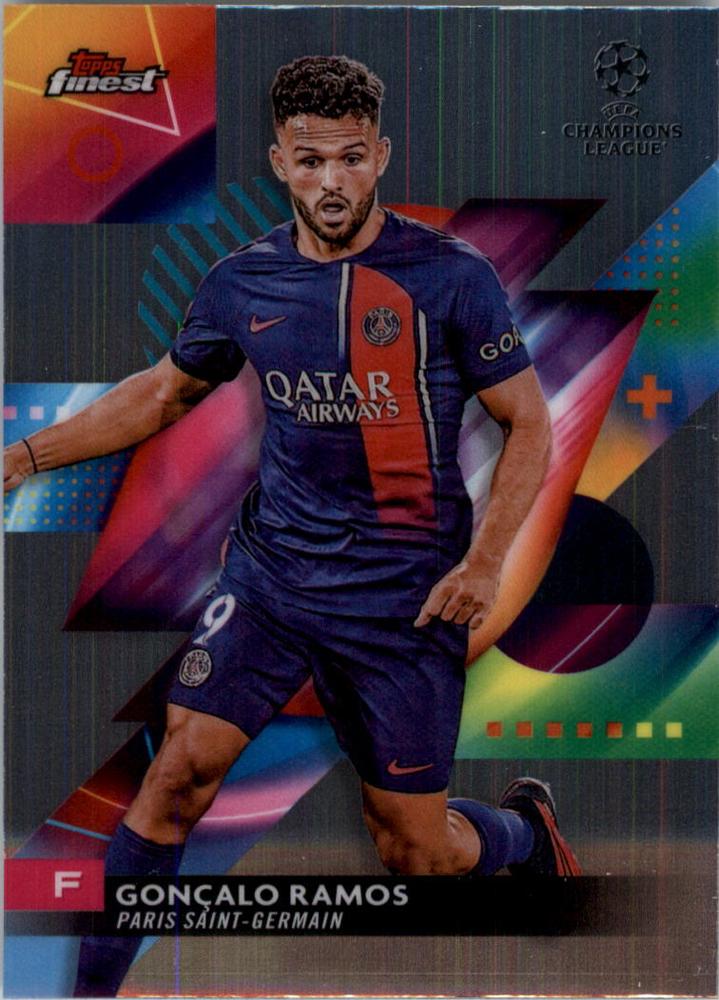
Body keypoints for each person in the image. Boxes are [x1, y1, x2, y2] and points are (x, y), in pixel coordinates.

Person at [4, 55, 581, 998]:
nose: (331, 182)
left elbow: (527, 422)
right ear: (280, 162)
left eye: (351, 158)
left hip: (401, 601)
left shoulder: (449, 277)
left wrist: (485, 562)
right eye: (310, 161)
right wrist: (22, 459)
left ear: (380, 156)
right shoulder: (243, 281)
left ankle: (522, 831)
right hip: (270, 583)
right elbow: (161, 394)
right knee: (176, 775)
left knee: (417, 854)